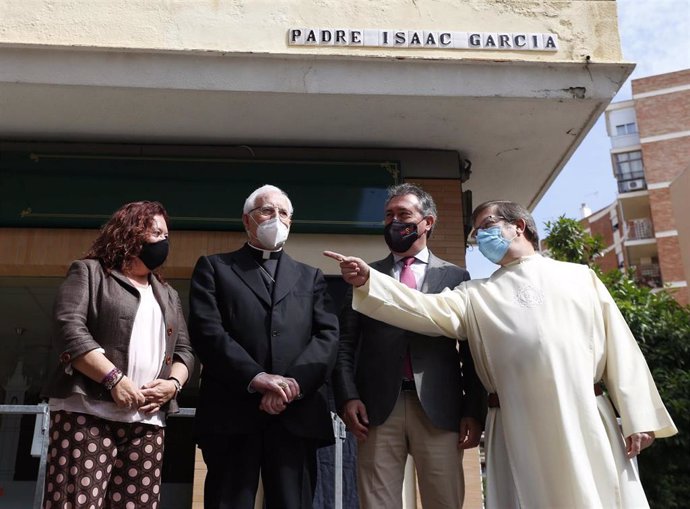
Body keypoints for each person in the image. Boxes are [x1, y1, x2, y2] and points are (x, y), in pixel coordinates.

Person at [324, 199, 678, 509]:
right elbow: (423, 310)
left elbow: (621, 348)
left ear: (519, 226)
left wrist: (637, 415)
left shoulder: (580, 277)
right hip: (514, 422)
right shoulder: (477, 293)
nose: (481, 239)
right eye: (476, 234)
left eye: (486, 228)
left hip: (585, 413)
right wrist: (371, 280)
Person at [332, 183, 485, 509]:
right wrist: (348, 395)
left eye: (404, 214)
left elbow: (471, 350)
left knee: (445, 500)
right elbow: (345, 343)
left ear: (427, 221)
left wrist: (473, 409)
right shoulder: (366, 276)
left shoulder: (457, 277)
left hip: (440, 407)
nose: (394, 222)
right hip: (376, 409)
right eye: (389, 215)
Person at [189, 184, 339, 509]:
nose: (276, 218)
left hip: (295, 414)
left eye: (283, 213)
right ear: (247, 221)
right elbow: (208, 332)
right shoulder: (215, 268)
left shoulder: (310, 277)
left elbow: (327, 336)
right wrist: (257, 378)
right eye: (267, 211)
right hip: (232, 411)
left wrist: (292, 385)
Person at [42, 201, 195, 509]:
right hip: (86, 414)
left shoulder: (168, 294)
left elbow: (185, 352)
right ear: (130, 233)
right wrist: (113, 379)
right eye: (155, 232)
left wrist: (173, 385)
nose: (163, 242)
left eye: (167, 235)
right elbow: (68, 328)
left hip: (147, 423)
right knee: (75, 503)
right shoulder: (90, 272)